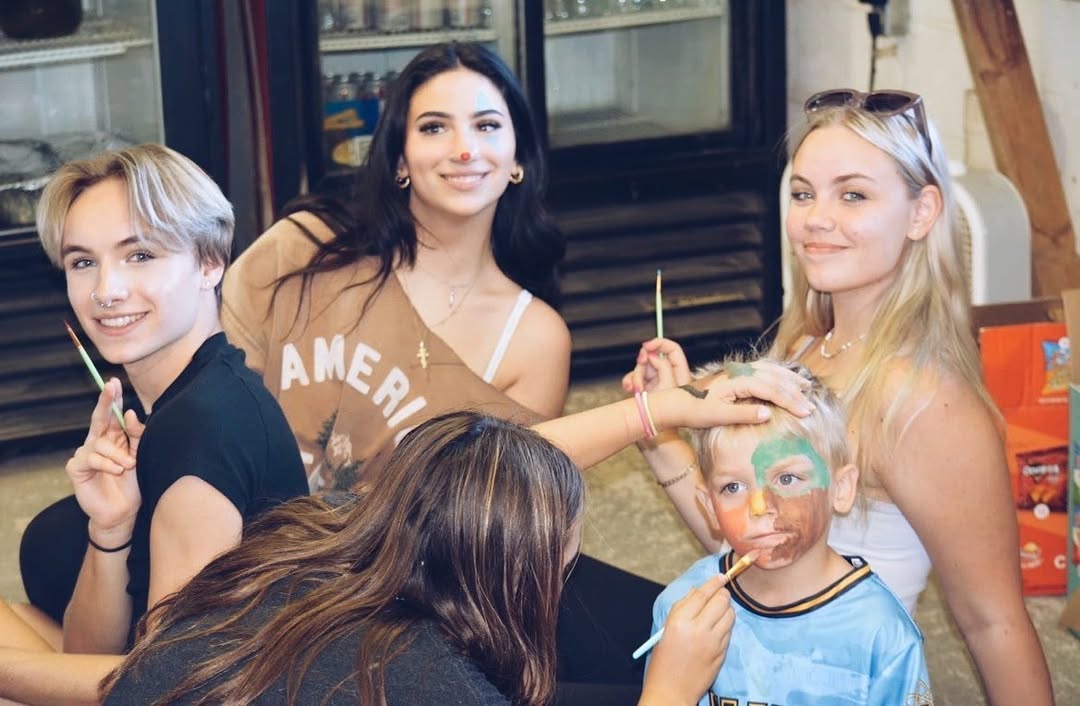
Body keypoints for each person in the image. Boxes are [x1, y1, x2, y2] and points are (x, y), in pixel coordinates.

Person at [627, 88, 1053, 704]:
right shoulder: (801, 344)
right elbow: (754, 545)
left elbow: (995, 624)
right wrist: (663, 440)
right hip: (741, 667)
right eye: (804, 194)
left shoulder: (924, 400)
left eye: (852, 195)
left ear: (921, 212)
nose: (816, 219)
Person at [102, 412, 737, 706]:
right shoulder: (432, 686)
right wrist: (668, 693)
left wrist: (655, 411)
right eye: (561, 562)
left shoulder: (310, 532)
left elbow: (474, 469)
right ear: (520, 577)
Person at [0, 144, 308, 705]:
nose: (105, 291)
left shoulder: (203, 424)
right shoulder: (178, 401)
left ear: (210, 263)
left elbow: (174, 688)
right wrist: (111, 528)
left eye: (139, 255)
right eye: (82, 262)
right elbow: (87, 652)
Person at [220, 41, 570, 491]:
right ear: (400, 159)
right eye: (434, 128)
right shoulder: (302, 251)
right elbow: (208, 397)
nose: (465, 150)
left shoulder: (535, 339)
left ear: (518, 157)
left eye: (486, 125)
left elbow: (502, 509)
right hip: (239, 521)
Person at [651, 360, 931, 705]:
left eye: (786, 479)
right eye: (733, 487)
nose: (759, 506)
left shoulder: (882, 634)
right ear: (709, 507)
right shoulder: (683, 611)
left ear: (841, 489)